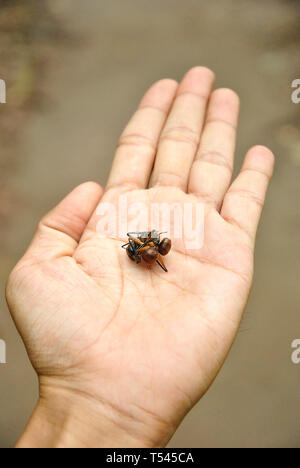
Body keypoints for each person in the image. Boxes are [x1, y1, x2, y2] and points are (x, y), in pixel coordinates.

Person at [5, 67, 274, 448]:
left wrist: (91, 411)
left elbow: (148, 248)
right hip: (138, 252)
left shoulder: (153, 248)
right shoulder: (146, 250)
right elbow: (142, 249)